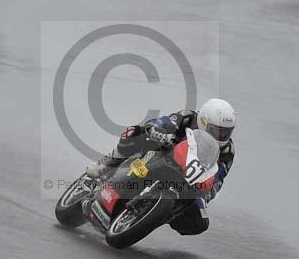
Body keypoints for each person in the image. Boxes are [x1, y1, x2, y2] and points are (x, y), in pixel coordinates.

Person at [86, 98, 236, 235]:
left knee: (200, 222)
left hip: (190, 181)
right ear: (203, 121)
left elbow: (219, 178)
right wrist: (158, 131)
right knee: (134, 133)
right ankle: (106, 164)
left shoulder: (228, 151)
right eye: (216, 130)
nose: (221, 136)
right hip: (164, 155)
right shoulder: (188, 117)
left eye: (225, 133)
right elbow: (163, 122)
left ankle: (161, 215)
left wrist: (209, 192)